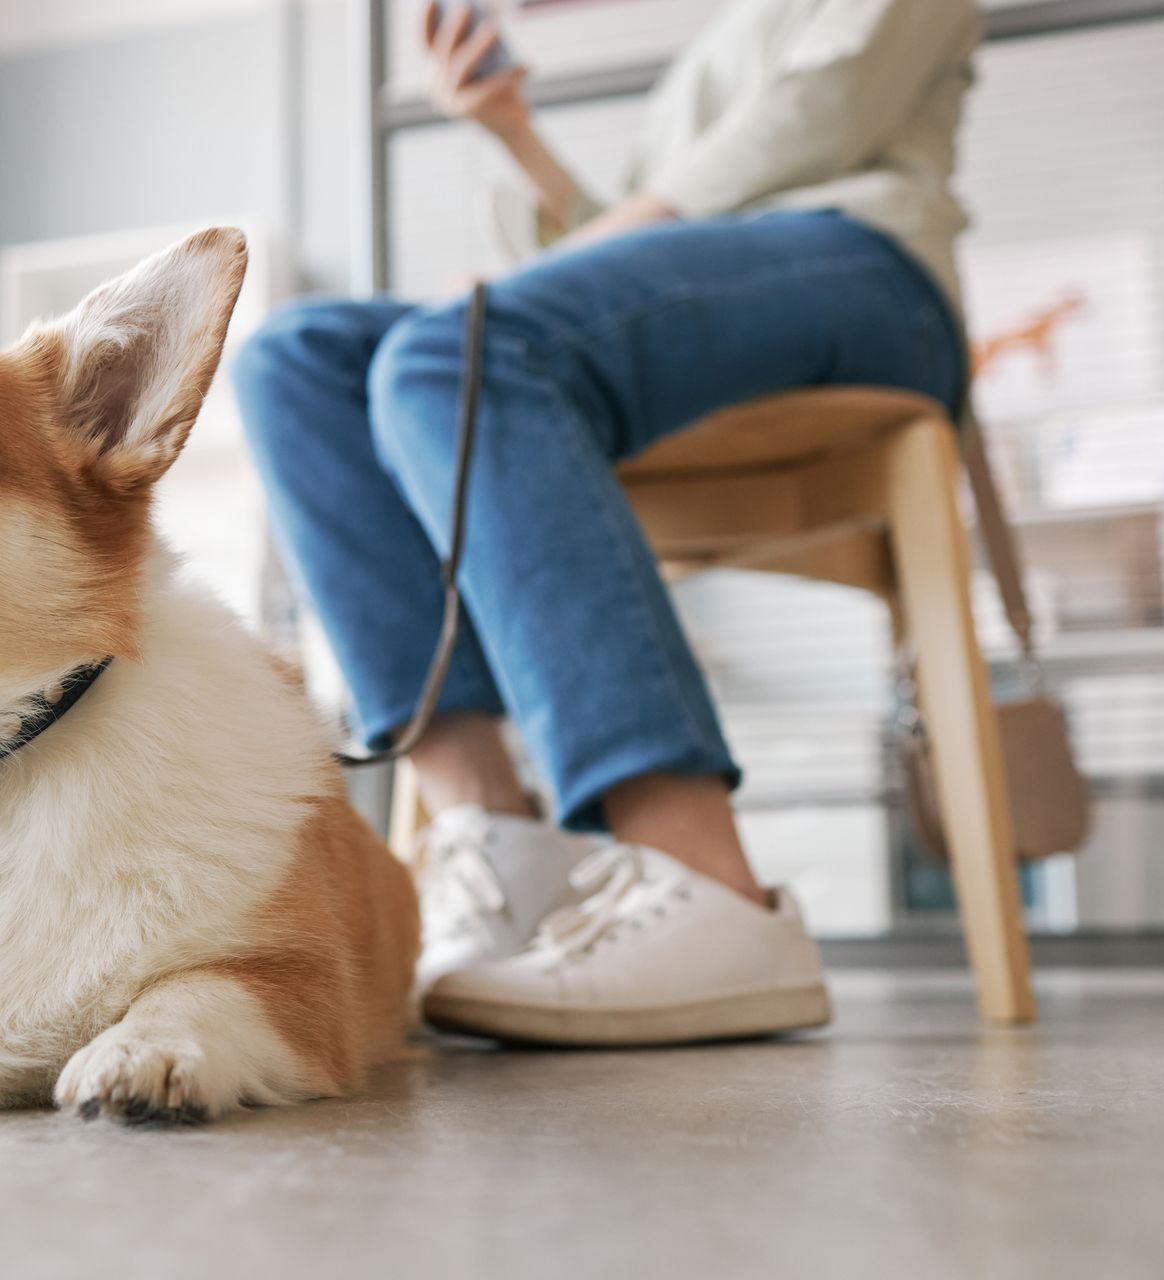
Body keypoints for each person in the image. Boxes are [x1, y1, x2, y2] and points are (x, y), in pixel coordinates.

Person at [233, 0, 980, 1045]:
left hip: (867, 273)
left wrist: (519, 284)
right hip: (732, 281)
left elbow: (805, 130)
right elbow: (637, 237)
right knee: (297, 358)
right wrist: (512, 130)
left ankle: (705, 878)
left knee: (456, 353)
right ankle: (500, 849)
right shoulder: (726, 38)